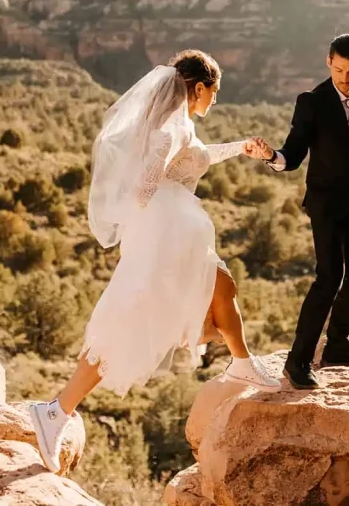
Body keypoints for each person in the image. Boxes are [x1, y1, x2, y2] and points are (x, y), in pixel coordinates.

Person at [29, 50, 282, 473]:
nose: (215, 101)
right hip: (165, 240)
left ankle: (242, 364)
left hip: (179, 236)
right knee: (124, 327)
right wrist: (155, 221)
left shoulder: (180, 124)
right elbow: (144, 190)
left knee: (223, 288)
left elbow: (196, 157)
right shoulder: (167, 131)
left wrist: (241, 148)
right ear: (198, 88)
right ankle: (55, 411)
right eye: (214, 92)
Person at [253, 33, 349, 389]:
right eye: (338, 70)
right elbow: (294, 152)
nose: (344, 78)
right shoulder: (312, 101)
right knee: (329, 278)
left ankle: (338, 347)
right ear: (328, 62)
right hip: (325, 205)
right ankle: (298, 361)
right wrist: (272, 157)